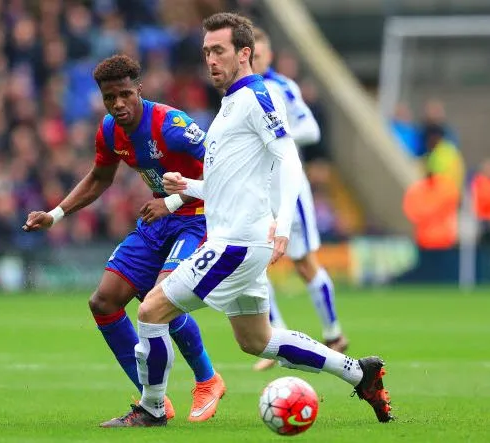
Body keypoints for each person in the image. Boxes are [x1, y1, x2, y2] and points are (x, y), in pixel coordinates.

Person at [101, 13, 392, 428]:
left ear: (244, 53)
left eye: (219, 51)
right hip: (241, 242)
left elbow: (288, 159)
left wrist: (286, 227)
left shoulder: (255, 97)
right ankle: (358, 372)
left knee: (150, 310)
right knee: (257, 340)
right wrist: (188, 186)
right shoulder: (231, 105)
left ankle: (151, 409)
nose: (211, 60)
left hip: (235, 244)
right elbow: (230, 184)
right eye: (206, 52)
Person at [22, 55, 226, 422]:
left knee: (160, 301)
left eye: (125, 95)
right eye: (109, 97)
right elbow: (100, 178)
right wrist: (55, 215)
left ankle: (207, 379)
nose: (118, 104)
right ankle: (155, 403)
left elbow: (225, 169)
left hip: (199, 218)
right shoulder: (110, 130)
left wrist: (175, 200)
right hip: (158, 218)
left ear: (140, 90)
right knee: (104, 301)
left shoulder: (172, 125)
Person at [249, 27, 348, 373]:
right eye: (248, 55)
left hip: (288, 186)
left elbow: (312, 130)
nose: (252, 60)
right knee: (255, 263)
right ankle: (272, 338)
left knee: (305, 263)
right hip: (258, 188)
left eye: (258, 55)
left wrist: (279, 133)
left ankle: (333, 333)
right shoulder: (241, 93)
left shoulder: (282, 87)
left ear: (268, 56)